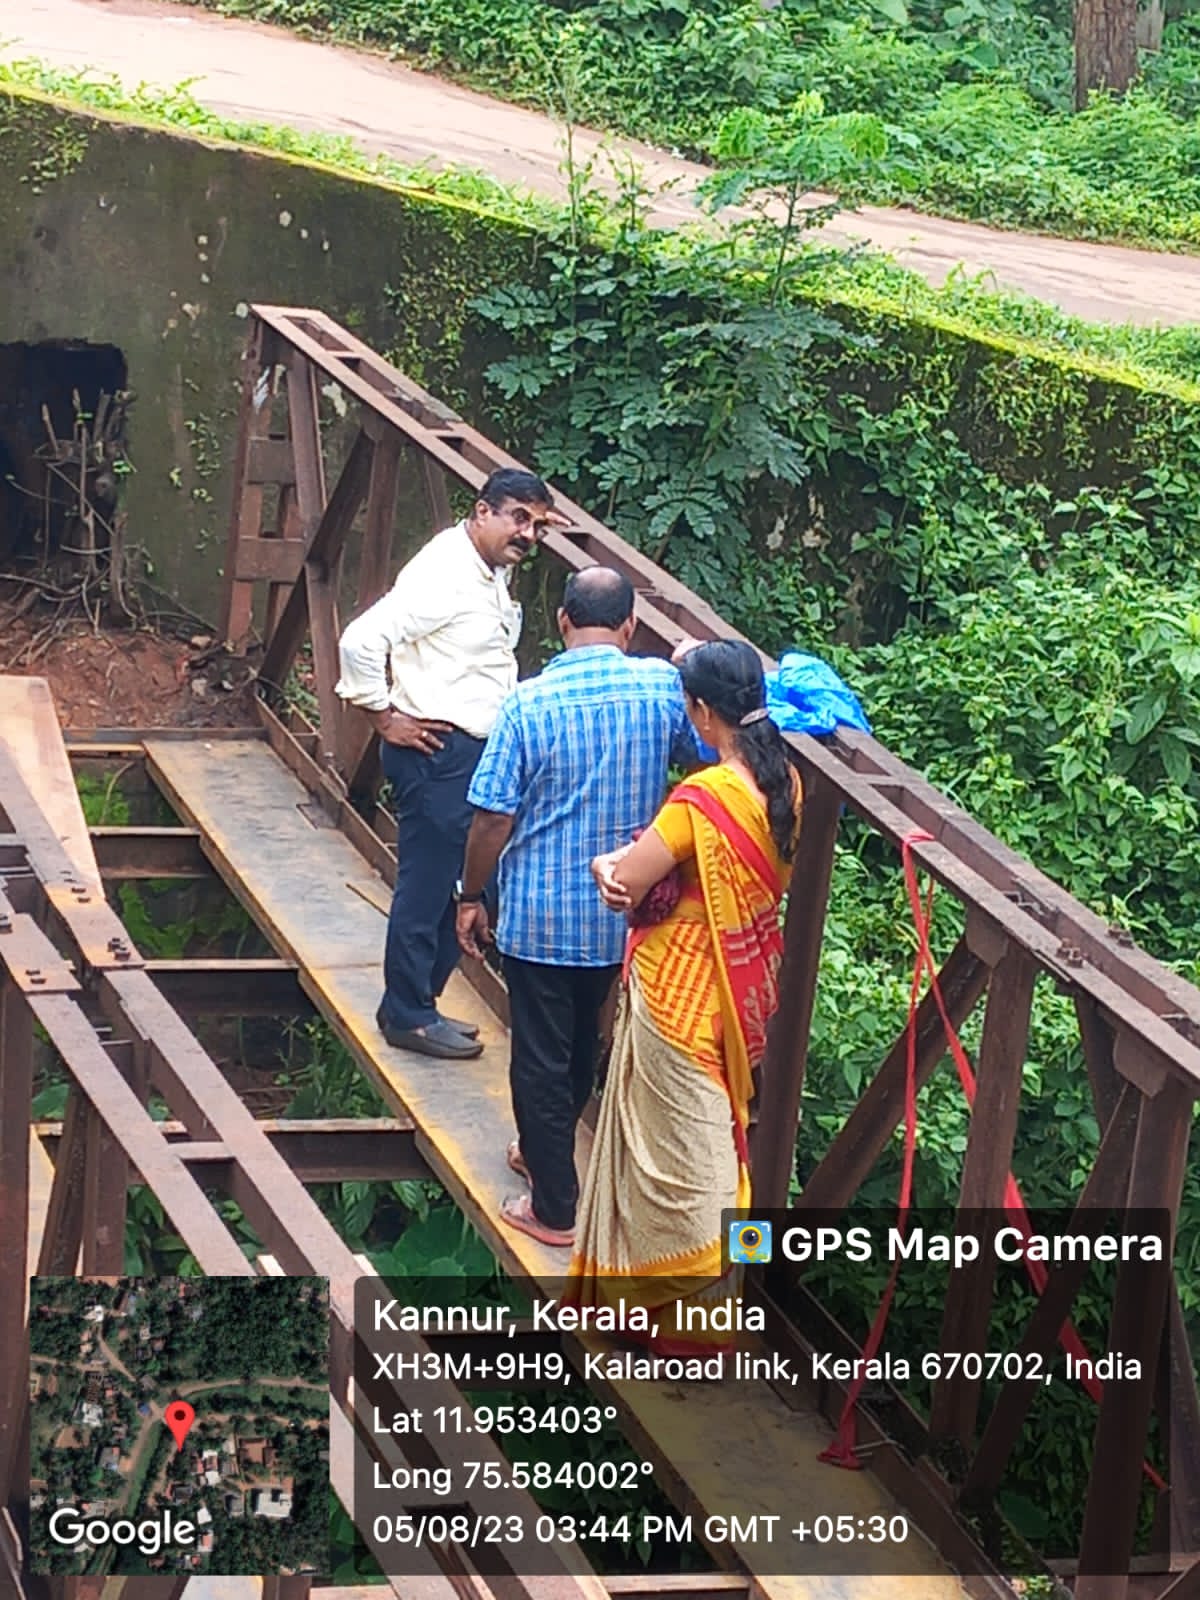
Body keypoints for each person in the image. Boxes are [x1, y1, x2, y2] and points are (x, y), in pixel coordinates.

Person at [455, 568, 701, 1247]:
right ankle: (544, 1152)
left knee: (539, 1053)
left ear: (562, 620)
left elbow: (492, 817)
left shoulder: (527, 703)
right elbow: (709, 751)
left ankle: (555, 1209)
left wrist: (471, 895)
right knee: (585, 1041)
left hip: (541, 914)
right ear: (629, 627)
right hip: (625, 909)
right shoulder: (662, 689)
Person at [566, 639, 801, 1347]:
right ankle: (697, 1310)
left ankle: (668, 1310)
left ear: (701, 713)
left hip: (680, 992)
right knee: (719, 1136)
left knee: (673, 1155)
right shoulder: (788, 783)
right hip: (744, 984)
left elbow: (627, 879)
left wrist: (606, 865)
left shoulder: (701, 799)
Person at [335, 467, 565, 1060]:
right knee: (428, 885)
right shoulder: (445, 573)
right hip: (437, 752)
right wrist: (383, 716)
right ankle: (407, 1014)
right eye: (518, 518)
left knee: (458, 885)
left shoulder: (486, 569)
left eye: (538, 526)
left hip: (468, 751)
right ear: (482, 511)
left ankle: (419, 1005)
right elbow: (361, 640)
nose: (528, 534)